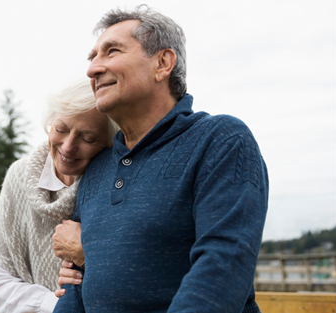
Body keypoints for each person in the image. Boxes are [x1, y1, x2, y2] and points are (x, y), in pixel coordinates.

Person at [53, 6, 269, 313]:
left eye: (111, 51)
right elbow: (73, 285)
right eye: (92, 58)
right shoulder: (98, 168)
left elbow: (223, 265)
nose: (92, 69)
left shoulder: (220, 139)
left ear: (163, 63)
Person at [0, 77, 119, 313]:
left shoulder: (117, 184)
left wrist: (89, 254)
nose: (67, 147)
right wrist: (57, 305)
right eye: (61, 129)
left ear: (109, 143)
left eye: (86, 138)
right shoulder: (19, 176)